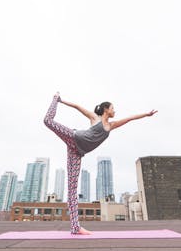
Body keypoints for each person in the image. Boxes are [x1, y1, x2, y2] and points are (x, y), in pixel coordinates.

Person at [43, 92, 157, 235]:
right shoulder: (94, 118)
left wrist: (146, 114)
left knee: (72, 189)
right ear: (106, 109)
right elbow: (78, 107)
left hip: (77, 152)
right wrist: (60, 100)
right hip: (74, 136)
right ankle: (54, 99)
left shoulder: (111, 125)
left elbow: (130, 119)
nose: (114, 111)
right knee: (47, 121)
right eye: (113, 108)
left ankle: (75, 227)